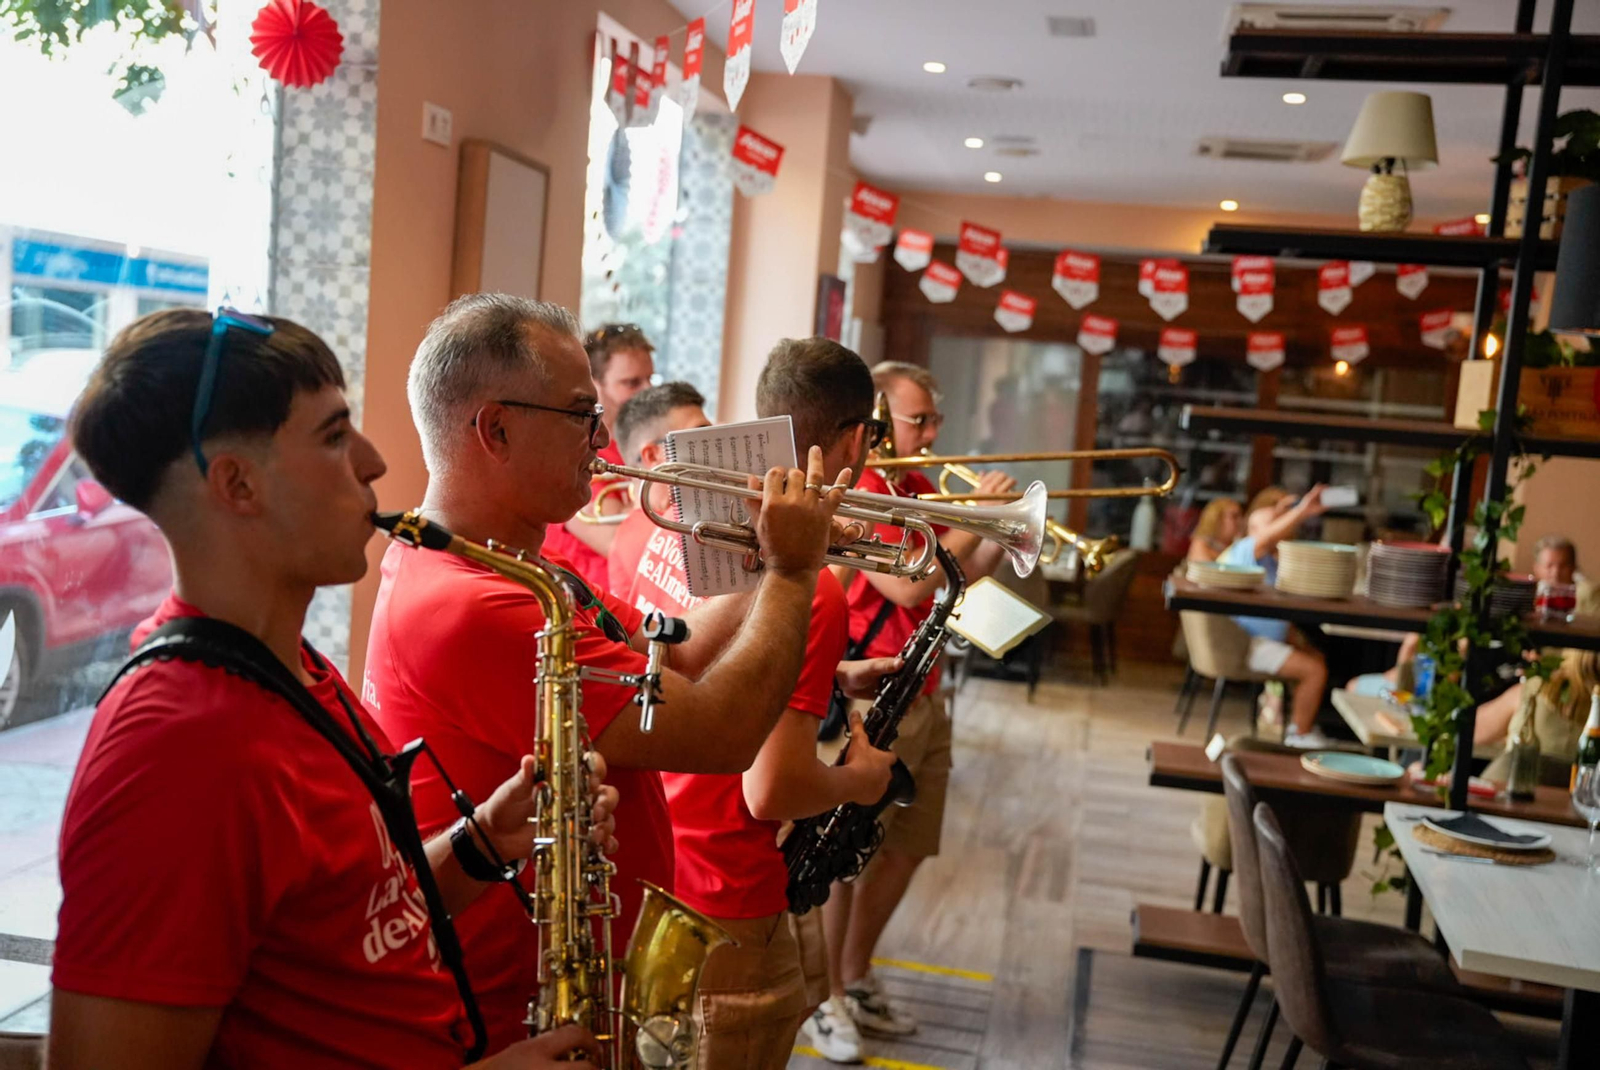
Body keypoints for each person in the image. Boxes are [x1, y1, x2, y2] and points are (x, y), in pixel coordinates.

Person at [49, 309, 605, 1070]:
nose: (375, 462)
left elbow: (351, 923)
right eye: (336, 435)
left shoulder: (291, 674)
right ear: (237, 484)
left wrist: (482, 846)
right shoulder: (174, 748)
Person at [362, 295, 854, 1056]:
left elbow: (680, 653)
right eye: (580, 414)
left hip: (586, 981)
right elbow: (721, 735)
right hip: (519, 1010)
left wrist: (766, 554)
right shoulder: (470, 605)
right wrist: (794, 574)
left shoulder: (522, 564)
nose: (601, 438)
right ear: (495, 428)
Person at [642, 337, 898, 1070]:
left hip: (657, 858)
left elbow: (687, 661)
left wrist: (826, 674)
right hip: (729, 890)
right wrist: (864, 781)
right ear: (855, 439)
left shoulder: (679, 515)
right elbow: (772, 789)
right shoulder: (808, 583)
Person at [805, 360, 1018, 1061]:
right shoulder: (859, 491)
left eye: (934, 417)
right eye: (916, 419)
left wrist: (1003, 534)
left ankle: (856, 976)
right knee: (843, 859)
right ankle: (825, 997)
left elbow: (957, 577)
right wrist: (977, 518)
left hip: (924, 689)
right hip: (870, 699)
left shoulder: (918, 486)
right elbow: (904, 585)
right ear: (877, 427)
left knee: (905, 849)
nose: (931, 431)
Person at [541, 323, 656, 589]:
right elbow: (619, 545)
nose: (648, 392)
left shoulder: (636, 446)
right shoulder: (575, 450)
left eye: (651, 379)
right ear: (594, 384)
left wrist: (634, 512)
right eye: (632, 383)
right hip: (590, 608)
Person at [1217, 485, 1332, 748]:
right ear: (1252, 529)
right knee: (1313, 670)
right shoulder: (1246, 550)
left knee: (1316, 657)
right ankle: (1299, 736)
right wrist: (1302, 511)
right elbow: (1265, 540)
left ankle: (1300, 723)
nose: (1276, 530)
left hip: (1263, 641)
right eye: (1269, 526)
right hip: (1245, 645)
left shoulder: (1270, 561)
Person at [605, 381, 713, 602]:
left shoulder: (623, 537)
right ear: (653, 455)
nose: (714, 445)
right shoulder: (633, 535)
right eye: (700, 436)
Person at [1187, 498, 1244, 564]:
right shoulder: (1201, 545)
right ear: (1216, 519)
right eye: (1234, 516)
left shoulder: (1238, 544)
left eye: (1241, 516)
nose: (1240, 521)